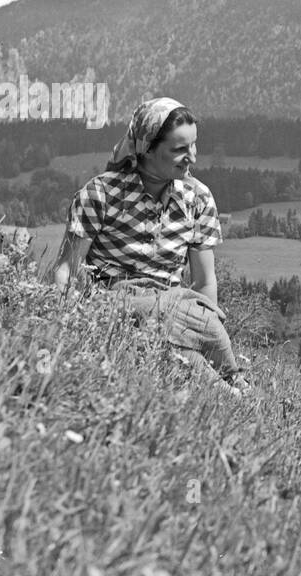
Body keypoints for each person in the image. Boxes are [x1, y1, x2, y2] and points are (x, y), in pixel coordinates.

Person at [51, 97, 247, 391]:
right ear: (147, 148)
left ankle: (229, 383)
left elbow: (205, 282)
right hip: (115, 305)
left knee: (195, 332)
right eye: (179, 149)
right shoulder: (100, 194)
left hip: (173, 305)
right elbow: (67, 267)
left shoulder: (198, 199)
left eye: (193, 145)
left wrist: (204, 323)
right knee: (180, 356)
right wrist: (65, 321)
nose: (192, 157)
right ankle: (229, 390)